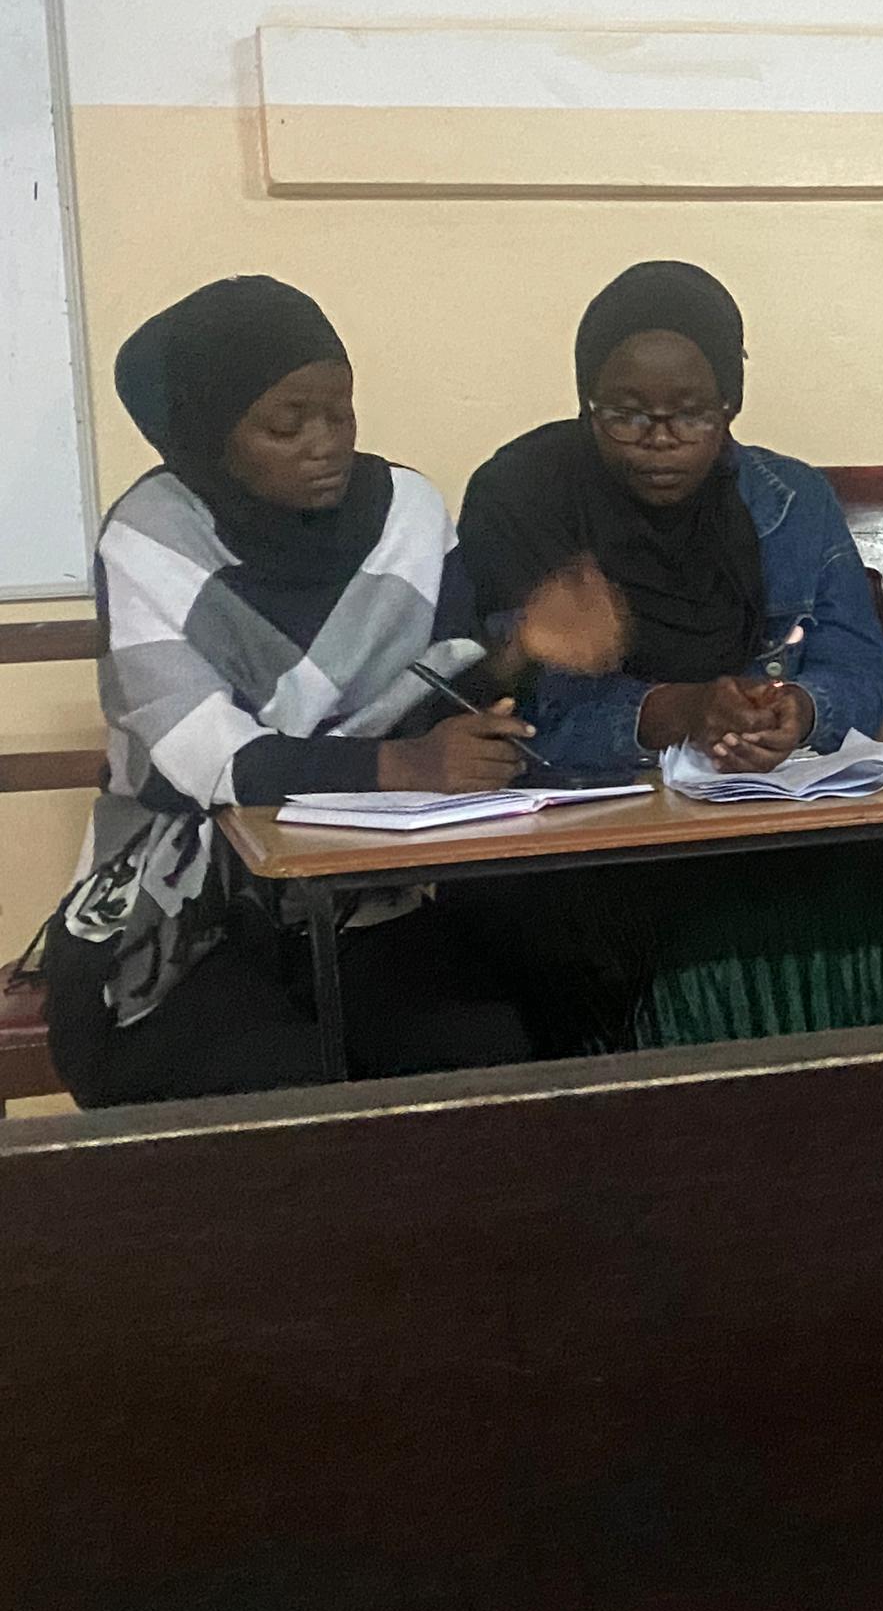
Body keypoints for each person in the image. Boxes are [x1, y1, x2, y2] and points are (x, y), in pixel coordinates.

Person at [28, 277, 591, 1105]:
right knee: (268, 1079)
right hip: (183, 907)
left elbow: (442, 688)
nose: (324, 444)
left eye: (340, 413)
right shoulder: (153, 533)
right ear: (212, 432)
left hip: (361, 893)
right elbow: (207, 760)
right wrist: (400, 765)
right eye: (286, 426)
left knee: (486, 1046)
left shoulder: (406, 512)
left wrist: (524, 651)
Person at [456, 260, 883, 1048]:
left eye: (690, 414)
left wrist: (794, 711)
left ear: (729, 406)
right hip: (601, 841)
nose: (660, 439)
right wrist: (681, 712)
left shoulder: (791, 503)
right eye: (626, 414)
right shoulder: (527, 497)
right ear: (585, 401)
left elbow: (859, 670)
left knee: (841, 891)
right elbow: (524, 722)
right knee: (684, 921)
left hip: (776, 821)